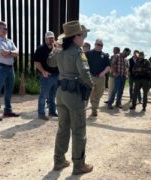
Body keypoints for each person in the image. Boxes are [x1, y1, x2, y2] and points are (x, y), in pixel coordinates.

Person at [47, 20, 93, 175]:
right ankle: (79, 165)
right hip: (74, 95)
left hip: (61, 93)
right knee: (79, 130)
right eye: (83, 35)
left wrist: (55, 49)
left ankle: (59, 161)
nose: (84, 38)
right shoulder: (78, 53)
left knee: (63, 129)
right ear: (75, 37)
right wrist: (90, 88)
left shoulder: (60, 51)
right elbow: (85, 74)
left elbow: (50, 63)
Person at [0, 21, 19, 121]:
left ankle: (7, 110)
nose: (5, 30)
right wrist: (12, 53)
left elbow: (17, 52)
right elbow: (3, 54)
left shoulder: (9, 41)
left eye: (6, 28)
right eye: (3, 28)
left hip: (10, 68)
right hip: (0, 68)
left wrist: (10, 52)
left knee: (9, 90)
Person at [33, 31, 59, 120]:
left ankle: (52, 112)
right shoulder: (40, 49)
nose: (51, 39)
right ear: (45, 39)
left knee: (53, 95)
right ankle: (41, 113)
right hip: (46, 76)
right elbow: (36, 62)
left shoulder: (56, 49)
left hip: (56, 75)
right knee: (43, 95)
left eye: (53, 38)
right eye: (49, 38)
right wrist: (43, 71)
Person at [86, 39, 110, 116]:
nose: (99, 46)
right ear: (95, 44)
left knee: (99, 93)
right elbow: (83, 64)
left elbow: (108, 66)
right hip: (90, 76)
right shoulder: (88, 53)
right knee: (87, 92)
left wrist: (103, 72)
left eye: (101, 45)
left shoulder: (105, 55)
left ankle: (94, 108)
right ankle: (86, 108)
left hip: (101, 78)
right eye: (98, 44)